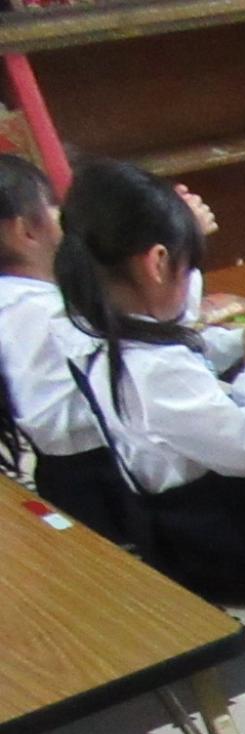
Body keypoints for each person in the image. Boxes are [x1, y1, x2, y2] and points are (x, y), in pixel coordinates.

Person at [58, 159, 245, 603]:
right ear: (158, 263)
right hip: (209, 526)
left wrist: (243, 340)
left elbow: (183, 343)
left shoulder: (94, 326)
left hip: (179, 508)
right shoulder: (150, 368)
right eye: (188, 265)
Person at [0, 154, 124, 536]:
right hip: (102, 473)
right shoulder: (47, 313)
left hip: (59, 472)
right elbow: (135, 379)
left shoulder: (19, 300)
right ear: (27, 231)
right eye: (52, 206)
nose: (62, 217)